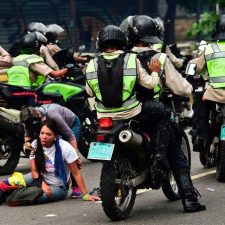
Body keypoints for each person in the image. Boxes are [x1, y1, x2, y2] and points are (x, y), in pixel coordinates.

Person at [120, 14, 206, 212]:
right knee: (176, 155)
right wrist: (189, 88)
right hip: (152, 113)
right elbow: (181, 88)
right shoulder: (159, 57)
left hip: (126, 112)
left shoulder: (122, 57)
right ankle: (189, 200)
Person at [0, 119, 100, 204]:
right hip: (38, 178)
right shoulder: (34, 144)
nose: (44, 137)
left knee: (30, 196)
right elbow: (34, 171)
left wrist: (86, 195)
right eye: (42, 133)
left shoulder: (65, 147)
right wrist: (42, 184)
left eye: (48, 134)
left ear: (55, 136)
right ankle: (10, 192)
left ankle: (12, 194)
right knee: (4, 184)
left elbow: (76, 173)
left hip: (58, 187)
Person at [187, 14, 225, 181]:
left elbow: (195, 67)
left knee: (200, 104)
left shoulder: (209, 49)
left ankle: (201, 134)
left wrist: (191, 73)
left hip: (214, 94)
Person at [20, 103, 83, 198]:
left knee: (69, 157)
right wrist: (28, 145)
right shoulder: (28, 120)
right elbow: (27, 135)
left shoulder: (53, 114)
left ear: (40, 116)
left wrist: (75, 155)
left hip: (71, 125)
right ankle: (50, 179)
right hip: (51, 128)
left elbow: (70, 136)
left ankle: (75, 186)